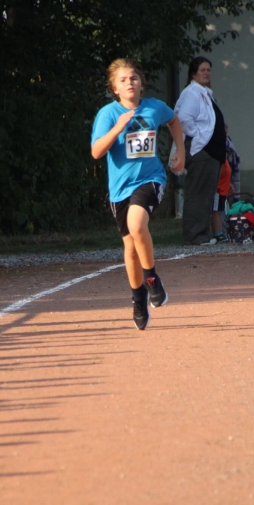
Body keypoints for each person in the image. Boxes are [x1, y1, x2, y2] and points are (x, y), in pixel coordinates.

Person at [91, 58, 185, 330]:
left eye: (133, 78)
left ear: (142, 83)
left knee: (137, 224)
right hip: (120, 189)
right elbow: (96, 152)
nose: (129, 83)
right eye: (122, 80)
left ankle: (152, 279)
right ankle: (138, 299)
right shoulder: (108, 114)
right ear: (114, 88)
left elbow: (173, 120)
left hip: (150, 179)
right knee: (130, 247)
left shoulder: (154, 107)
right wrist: (117, 128)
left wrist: (180, 150)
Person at [174, 56, 227, 245]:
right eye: (202, 70)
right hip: (201, 151)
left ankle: (201, 235)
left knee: (206, 195)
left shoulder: (204, 93)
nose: (206, 73)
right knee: (198, 193)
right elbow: (184, 119)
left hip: (209, 153)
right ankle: (195, 236)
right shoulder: (192, 93)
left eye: (208, 70)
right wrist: (200, 137)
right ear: (193, 74)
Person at [211, 156, 233, 243]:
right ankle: (217, 233)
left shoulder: (224, 159)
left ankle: (220, 232)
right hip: (219, 190)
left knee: (219, 211)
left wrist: (228, 184)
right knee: (216, 211)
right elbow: (219, 173)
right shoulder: (220, 160)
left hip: (223, 190)